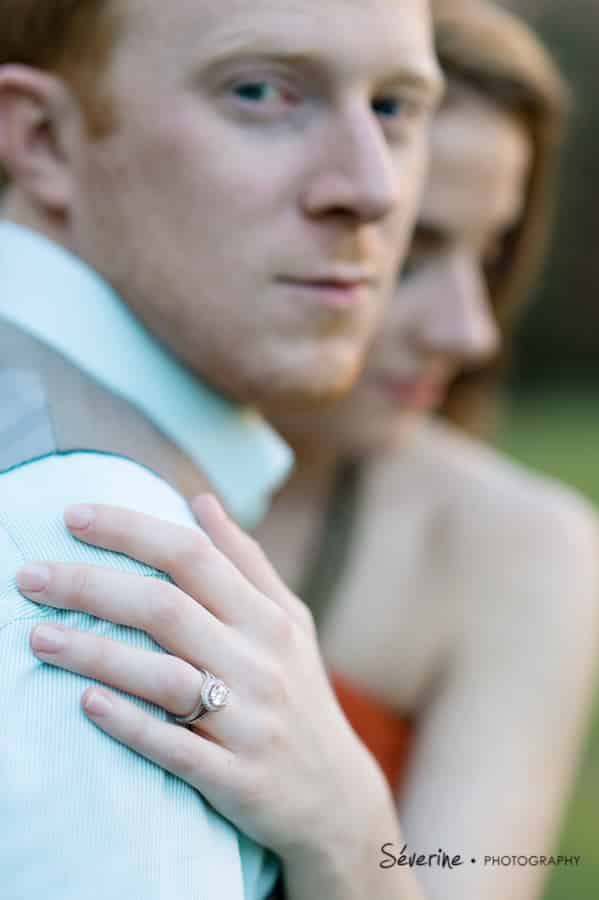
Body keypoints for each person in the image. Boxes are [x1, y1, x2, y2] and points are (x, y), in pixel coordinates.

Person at [20, 3, 597, 900]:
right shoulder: (83, 486)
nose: (467, 332)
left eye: (490, 257)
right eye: (418, 254)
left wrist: (352, 831)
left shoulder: (512, 545)